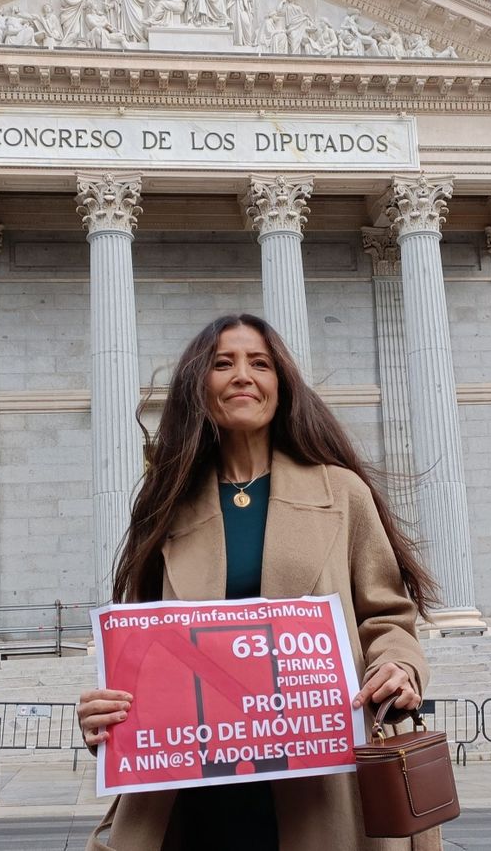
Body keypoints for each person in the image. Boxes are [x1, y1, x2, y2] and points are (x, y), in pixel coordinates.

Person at [77, 314, 439, 851]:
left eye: (260, 363)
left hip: (320, 784)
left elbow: (386, 616)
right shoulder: (165, 506)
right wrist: (106, 717)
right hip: (197, 794)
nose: (243, 375)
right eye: (223, 363)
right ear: (199, 385)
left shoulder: (342, 493)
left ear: (281, 384)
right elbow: (143, 649)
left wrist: (398, 666)